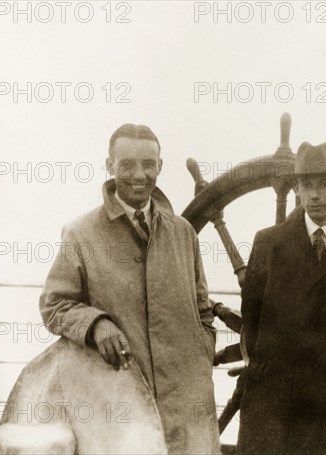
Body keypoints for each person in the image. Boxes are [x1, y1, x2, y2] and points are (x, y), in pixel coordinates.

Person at [39, 124, 221, 454]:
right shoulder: (80, 234)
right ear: (109, 166)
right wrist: (96, 325)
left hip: (186, 405)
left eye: (149, 164)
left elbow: (202, 309)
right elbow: (55, 305)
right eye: (127, 164)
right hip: (118, 404)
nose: (139, 175)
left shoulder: (183, 234)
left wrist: (203, 348)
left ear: (160, 166)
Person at [237, 142, 326, 455]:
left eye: (324, 185)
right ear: (296, 188)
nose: (314, 195)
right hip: (274, 401)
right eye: (307, 185)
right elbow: (251, 318)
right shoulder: (268, 242)